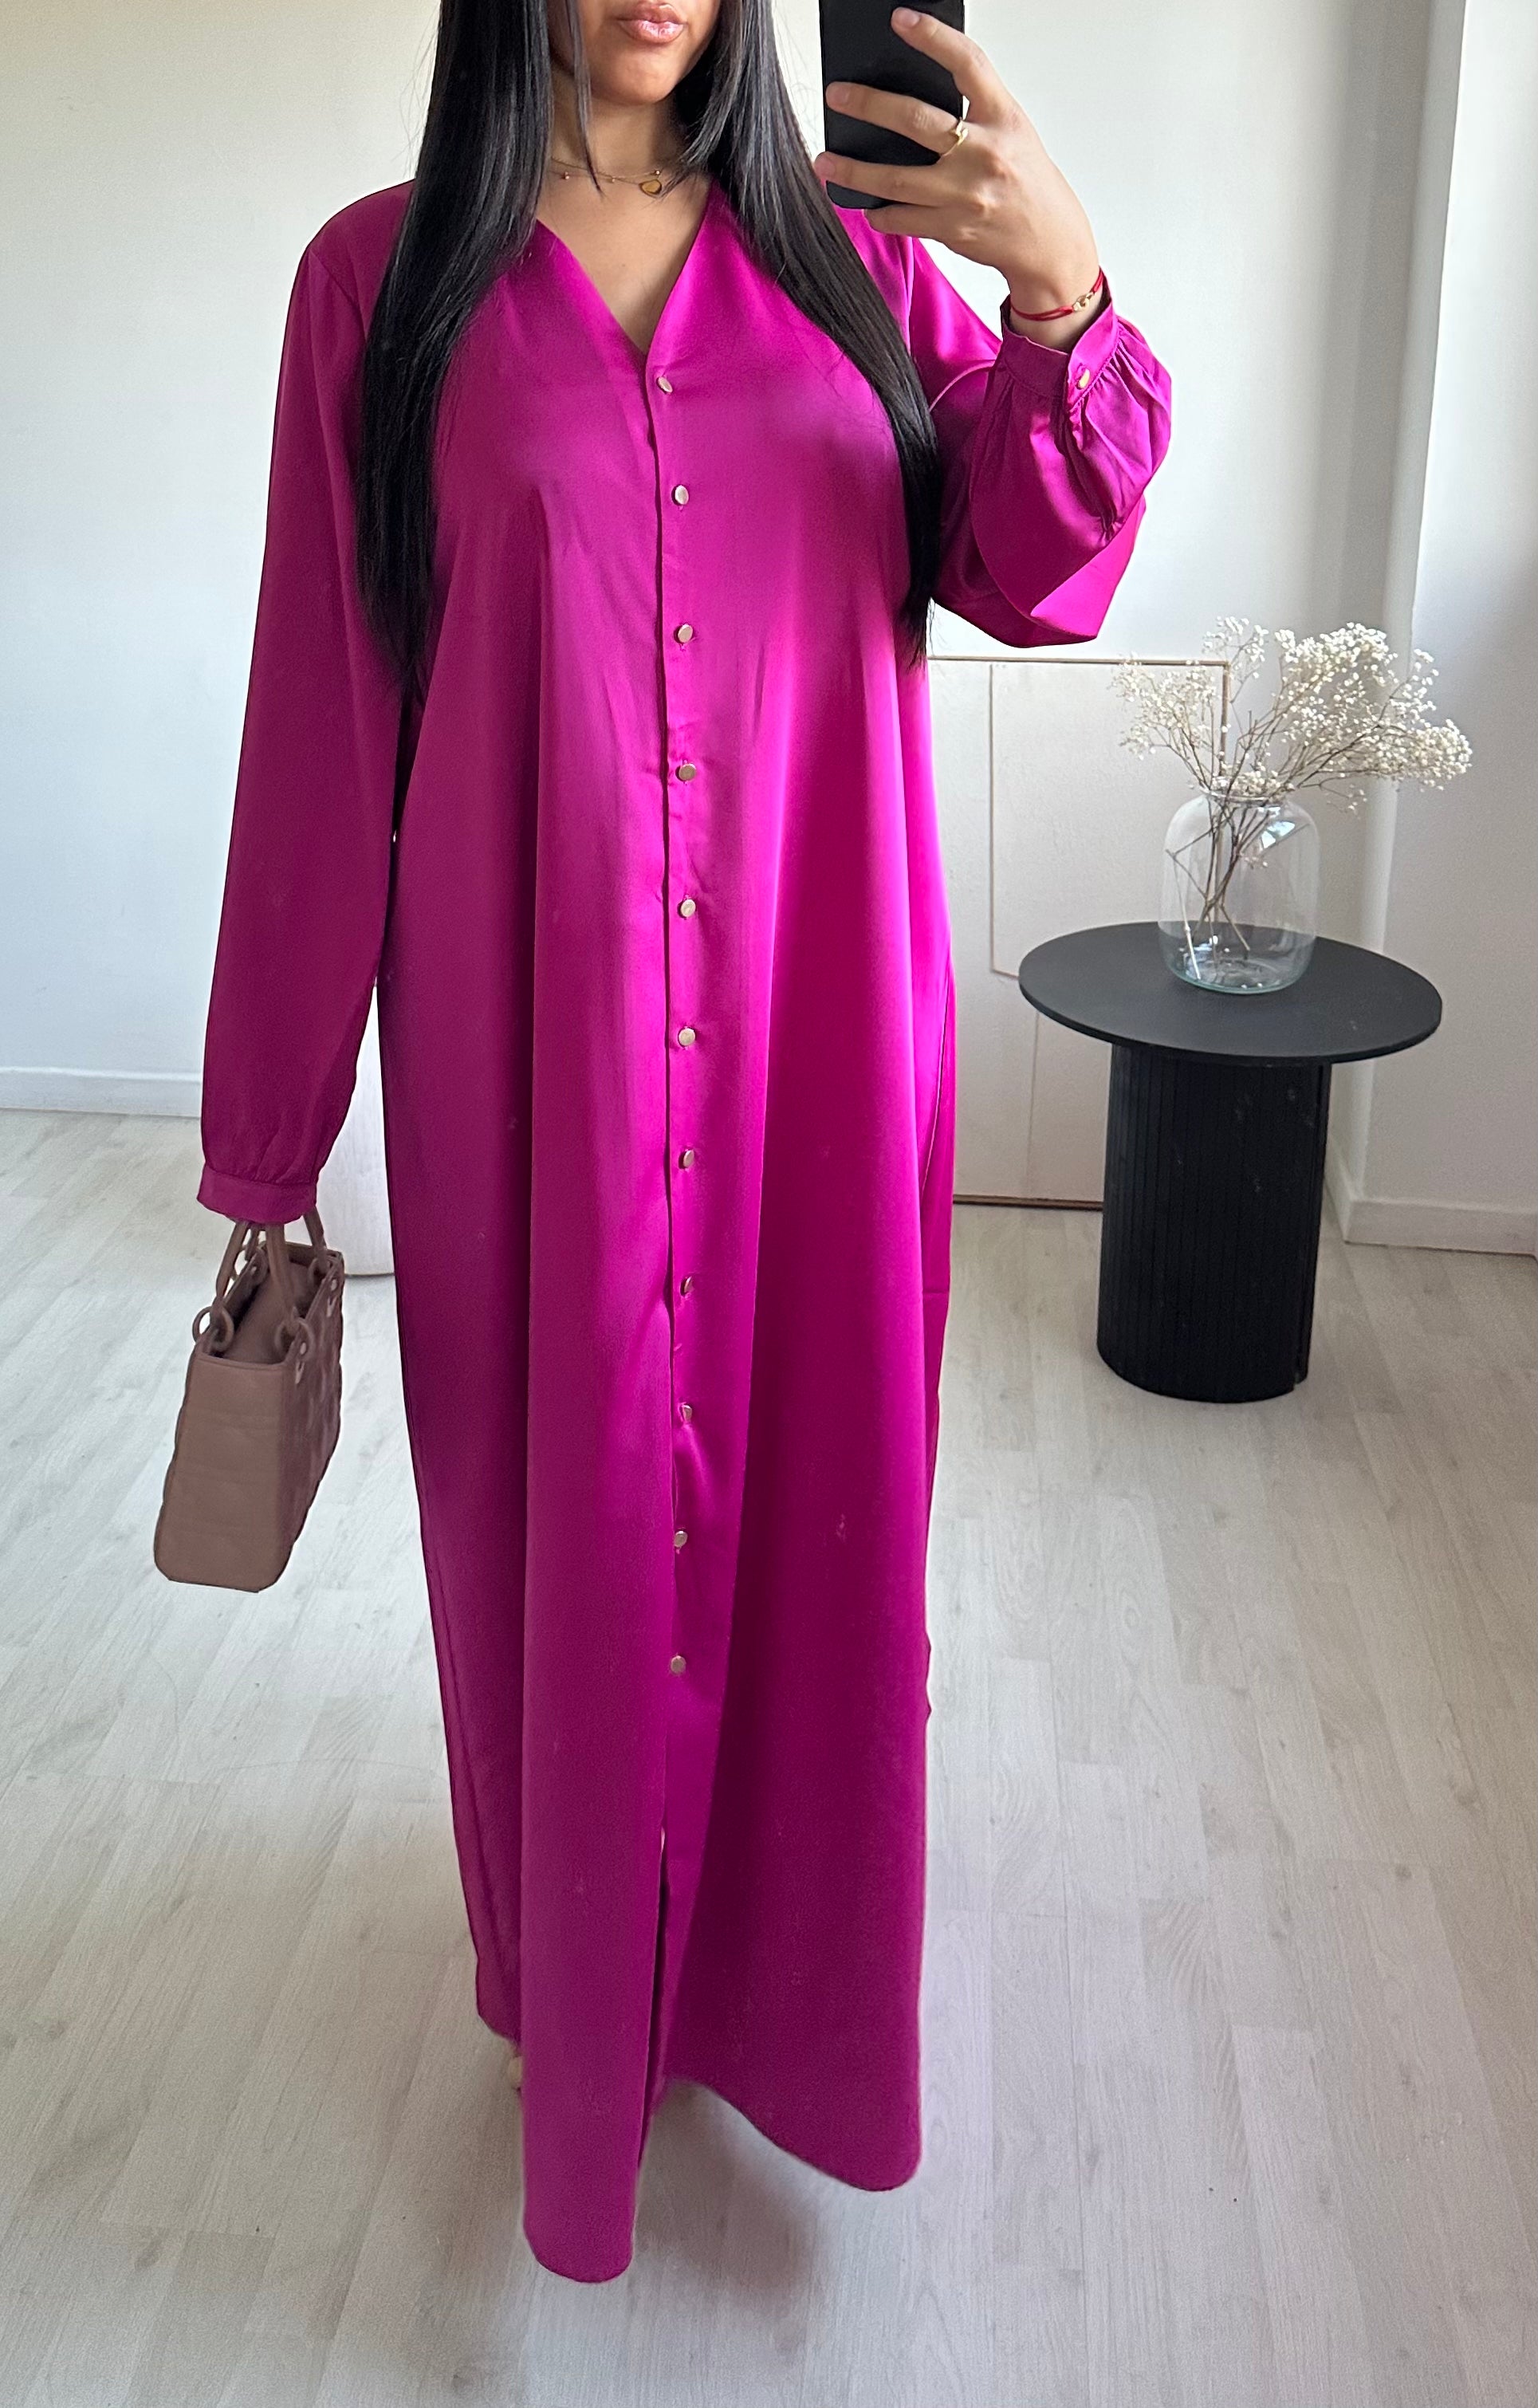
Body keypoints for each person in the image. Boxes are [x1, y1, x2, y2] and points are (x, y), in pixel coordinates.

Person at [195, 0, 1173, 2283]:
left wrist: (1062, 294)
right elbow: (321, 709)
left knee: (821, 1536)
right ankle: (577, 1987)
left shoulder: (867, 271)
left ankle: (779, 2007)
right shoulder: (380, 286)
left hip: (817, 1052)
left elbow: (1039, 571)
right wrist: (270, 1121)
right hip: (520, 1055)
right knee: (543, 1543)